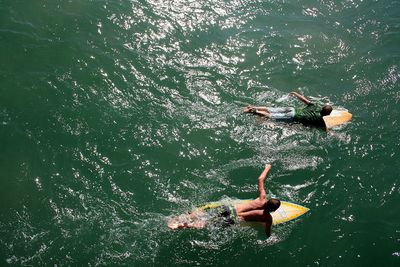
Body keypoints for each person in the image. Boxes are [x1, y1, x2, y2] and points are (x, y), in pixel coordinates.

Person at [167, 164, 280, 237]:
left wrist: (267, 168)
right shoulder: (267, 218)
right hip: (233, 218)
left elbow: (260, 179)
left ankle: (177, 218)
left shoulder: (261, 199)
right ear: (274, 210)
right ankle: (181, 226)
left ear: (268, 200)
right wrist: (271, 237)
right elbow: (267, 233)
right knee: (206, 224)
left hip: (229, 208)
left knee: (204, 213)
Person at [243, 92, 333, 127]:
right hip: (293, 116)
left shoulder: (315, 106)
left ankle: (254, 107)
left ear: (322, 107)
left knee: (271, 109)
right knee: (271, 116)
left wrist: (295, 93)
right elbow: (325, 130)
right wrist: (335, 135)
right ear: (327, 115)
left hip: (292, 109)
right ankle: (254, 111)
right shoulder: (320, 121)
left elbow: (303, 99)